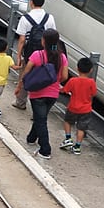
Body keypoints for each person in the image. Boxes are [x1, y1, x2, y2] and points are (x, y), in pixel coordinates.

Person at [23, 29, 69, 161]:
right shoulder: (62, 57)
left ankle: (45, 149)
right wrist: (53, 83)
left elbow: (27, 71)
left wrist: (22, 84)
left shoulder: (37, 55)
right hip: (53, 94)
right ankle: (31, 138)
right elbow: (65, 76)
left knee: (41, 120)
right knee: (40, 117)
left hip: (37, 93)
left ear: (43, 41)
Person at [12, 0, 56, 110]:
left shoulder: (25, 18)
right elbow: (53, 37)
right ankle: (37, 108)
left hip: (29, 53)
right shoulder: (49, 18)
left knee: (25, 75)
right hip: (45, 54)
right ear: (43, 2)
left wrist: (19, 56)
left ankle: (20, 102)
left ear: (31, 2)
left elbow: (21, 40)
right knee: (41, 78)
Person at [59, 57, 97, 154]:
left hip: (73, 107)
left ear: (77, 68)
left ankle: (68, 138)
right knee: (81, 128)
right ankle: (77, 146)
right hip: (86, 109)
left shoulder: (73, 81)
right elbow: (94, 93)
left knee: (67, 121)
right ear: (91, 70)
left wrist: (59, 89)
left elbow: (65, 90)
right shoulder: (91, 82)